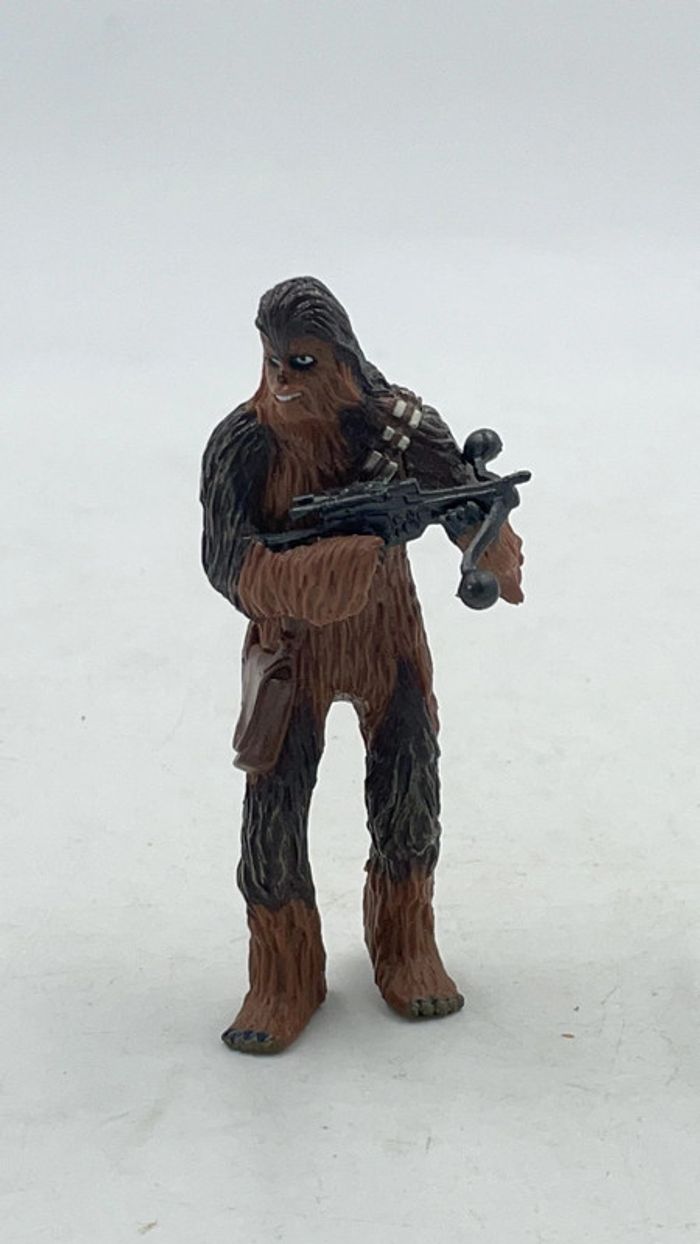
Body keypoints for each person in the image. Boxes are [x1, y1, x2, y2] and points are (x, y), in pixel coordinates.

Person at [201, 276, 524, 1054]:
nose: (283, 381)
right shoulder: (244, 442)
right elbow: (226, 560)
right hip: (290, 649)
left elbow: (467, 499)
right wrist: (314, 572)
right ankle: (282, 976)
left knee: (408, 791)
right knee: (274, 812)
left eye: (303, 362)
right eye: (274, 361)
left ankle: (406, 947)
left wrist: (487, 543)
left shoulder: (399, 426)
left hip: (388, 641)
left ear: (343, 360)